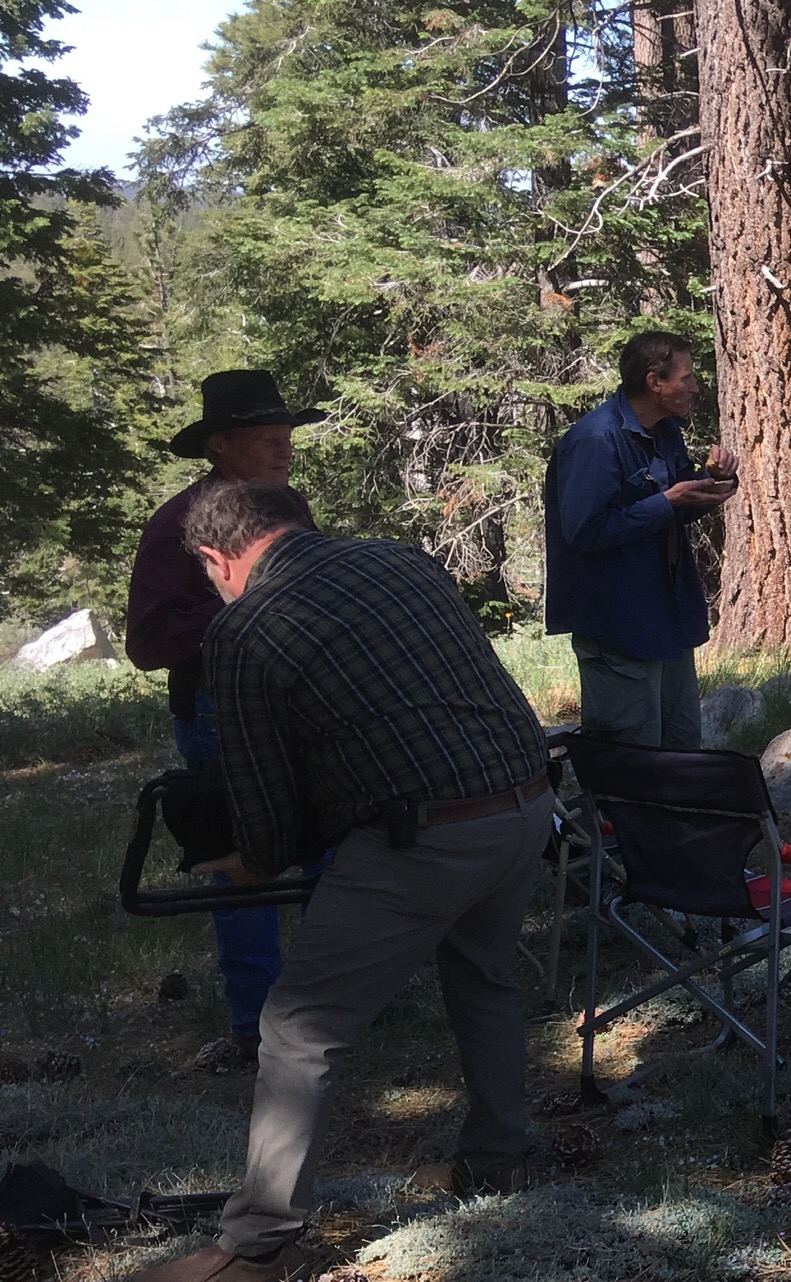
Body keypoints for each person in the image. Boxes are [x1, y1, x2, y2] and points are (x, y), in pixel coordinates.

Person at [127, 482, 551, 1282]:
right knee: (486, 980)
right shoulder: (401, 561)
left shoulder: (243, 628)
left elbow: (264, 807)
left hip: (427, 833)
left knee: (298, 1030)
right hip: (527, 803)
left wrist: (249, 861)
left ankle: (257, 1248)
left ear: (217, 557)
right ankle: (501, 1161)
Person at [124, 370, 326, 1076]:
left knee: (332, 842)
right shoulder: (175, 523)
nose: (283, 449)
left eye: (286, 436)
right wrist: (241, 610)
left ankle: (334, 1003)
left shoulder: (289, 506)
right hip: (218, 712)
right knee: (241, 863)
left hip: (301, 700)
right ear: (219, 445)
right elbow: (149, 642)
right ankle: (254, 1027)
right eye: (266, 438)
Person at [543, 330, 736, 748]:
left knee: (682, 748)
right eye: (686, 377)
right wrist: (665, 502)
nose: (695, 387)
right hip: (617, 625)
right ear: (654, 382)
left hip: (666, 619)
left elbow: (676, 507)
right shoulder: (595, 440)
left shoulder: (665, 431)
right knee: (631, 757)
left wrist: (712, 481)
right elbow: (584, 531)